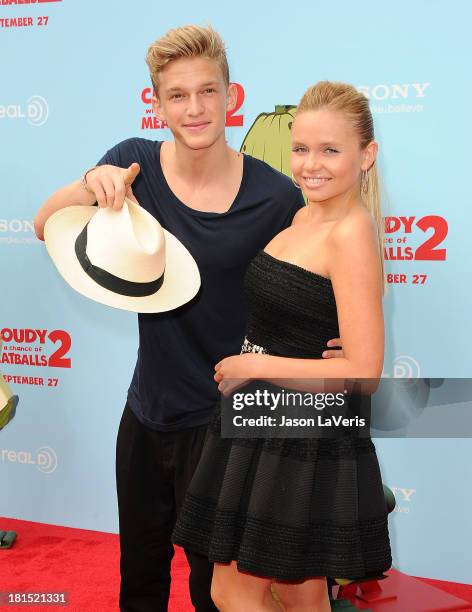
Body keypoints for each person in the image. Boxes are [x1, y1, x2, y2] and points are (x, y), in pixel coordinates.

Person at [34, 26, 343, 612]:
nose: (194, 108)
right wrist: (84, 186)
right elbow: (45, 225)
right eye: (178, 95)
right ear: (156, 103)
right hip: (147, 411)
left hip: (227, 420)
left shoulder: (277, 198)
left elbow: (314, 291)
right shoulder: (132, 167)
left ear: (232, 96)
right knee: (140, 580)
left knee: (215, 594)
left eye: (208, 91)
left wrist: (336, 349)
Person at [172, 81, 392, 612]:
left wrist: (258, 366)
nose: (310, 165)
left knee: (233, 591)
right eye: (301, 148)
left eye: (330, 150)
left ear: (367, 155)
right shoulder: (304, 214)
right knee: (300, 591)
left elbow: (364, 371)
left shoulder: (351, 233)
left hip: (301, 432)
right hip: (267, 422)